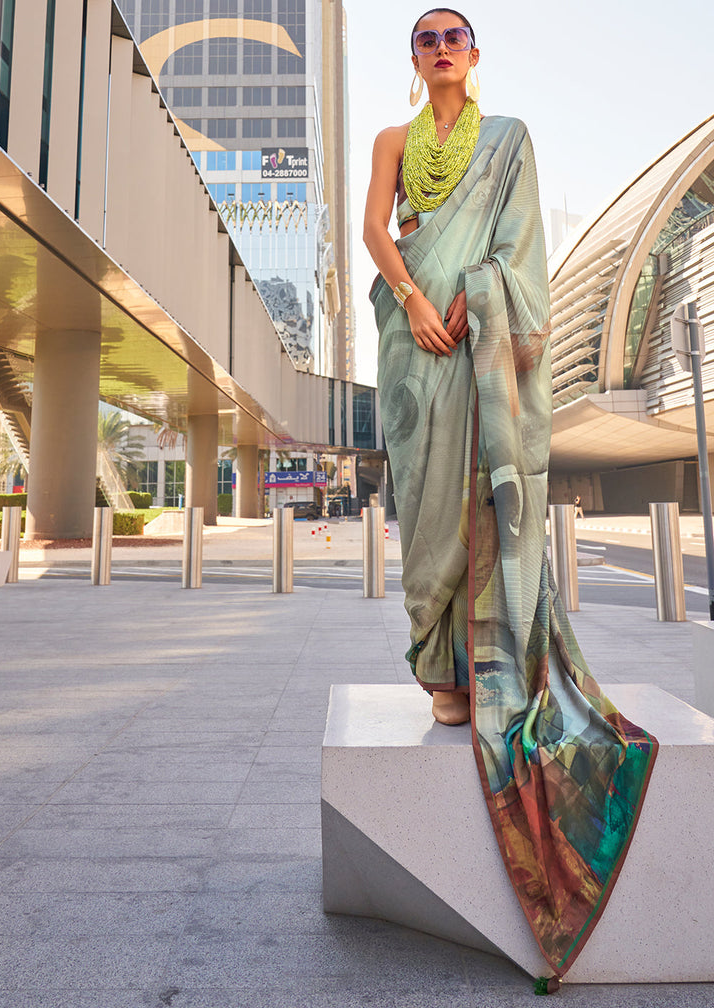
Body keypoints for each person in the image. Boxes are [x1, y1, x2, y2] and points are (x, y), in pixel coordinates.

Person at [363, 7, 658, 984]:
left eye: (454, 36)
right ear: (414, 59)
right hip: (417, 346)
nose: (441, 48)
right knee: (424, 502)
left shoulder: (510, 140)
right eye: (426, 38)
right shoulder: (393, 140)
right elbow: (374, 231)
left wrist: (479, 294)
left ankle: (475, 666)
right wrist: (415, 297)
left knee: (481, 502)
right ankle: (433, 657)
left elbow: (519, 251)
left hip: (477, 337)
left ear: (475, 54)